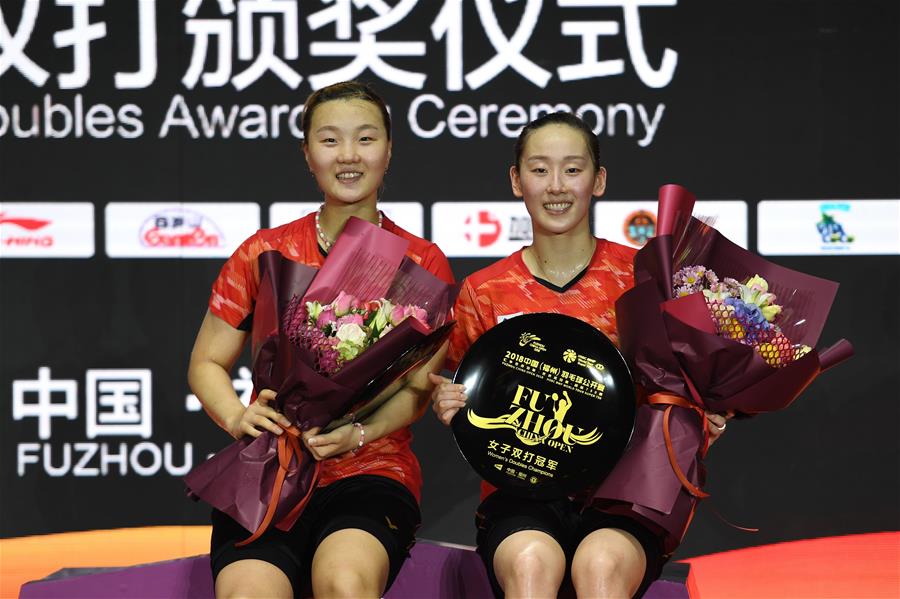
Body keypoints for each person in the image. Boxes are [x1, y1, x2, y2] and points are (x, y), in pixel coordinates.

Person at [429, 112, 729, 599]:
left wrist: (699, 416)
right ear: (516, 180)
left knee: (600, 568)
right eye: (539, 169)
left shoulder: (643, 279)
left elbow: (679, 388)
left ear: (598, 180)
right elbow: (468, 390)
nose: (556, 186)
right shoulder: (483, 292)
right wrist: (452, 404)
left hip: (624, 493)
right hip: (521, 490)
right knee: (530, 565)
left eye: (572, 169)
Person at [188, 81, 454, 599]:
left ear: (389, 150)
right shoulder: (265, 252)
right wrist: (238, 418)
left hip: (370, 467)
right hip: (272, 467)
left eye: (365, 139)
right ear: (307, 153)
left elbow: (417, 389)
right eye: (330, 140)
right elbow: (206, 363)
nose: (349, 155)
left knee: (345, 584)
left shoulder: (421, 262)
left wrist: (360, 432)